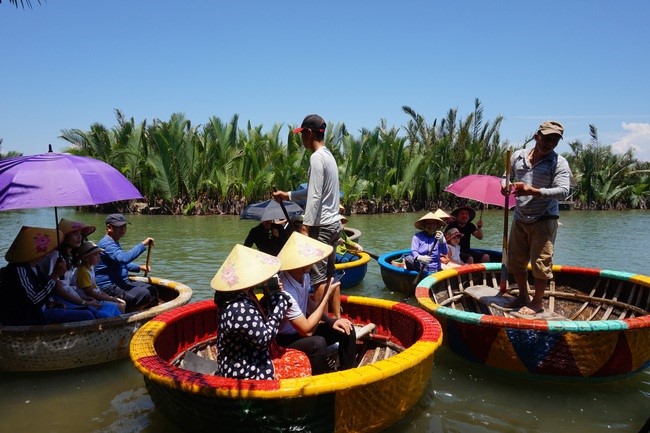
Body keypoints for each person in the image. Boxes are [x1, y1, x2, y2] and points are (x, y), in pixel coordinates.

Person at [272, 114, 342, 316]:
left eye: (302, 134)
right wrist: (288, 195)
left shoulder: (316, 157)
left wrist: (305, 227)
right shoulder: (329, 156)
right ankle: (336, 318)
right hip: (334, 224)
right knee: (330, 275)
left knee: (318, 278)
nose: (301, 138)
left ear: (309, 133)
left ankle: (318, 322)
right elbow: (313, 190)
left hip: (322, 227)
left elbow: (315, 196)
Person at [502, 120, 572, 315]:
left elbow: (564, 191)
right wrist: (505, 185)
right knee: (515, 260)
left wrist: (533, 191)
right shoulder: (518, 156)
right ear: (536, 136)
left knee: (541, 263)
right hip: (520, 216)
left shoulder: (558, 162)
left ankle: (537, 301)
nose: (549, 143)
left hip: (544, 218)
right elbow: (506, 176)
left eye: (554, 140)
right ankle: (523, 295)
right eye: (547, 138)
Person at [276, 232, 356, 375]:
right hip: (285, 338)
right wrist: (326, 296)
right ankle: (321, 385)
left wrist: (331, 321)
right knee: (317, 344)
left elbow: (309, 303)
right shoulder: (285, 290)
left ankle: (347, 374)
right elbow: (306, 331)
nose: (313, 262)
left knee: (347, 329)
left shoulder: (304, 276)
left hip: (300, 330)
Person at [210, 244, 290, 380]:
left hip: (250, 356)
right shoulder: (239, 308)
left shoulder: (243, 295)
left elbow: (256, 318)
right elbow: (264, 339)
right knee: (299, 363)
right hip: (243, 369)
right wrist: (279, 308)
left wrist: (269, 297)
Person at [0, 226, 95, 325]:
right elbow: (34, 300)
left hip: (40, 310)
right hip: (28, 316)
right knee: (87, 315)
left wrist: (51, 302)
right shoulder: (19, 270)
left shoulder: (34, 266)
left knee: (87, 311)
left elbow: (42, 284)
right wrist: (55, 275)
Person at [38, 218, 120, 319]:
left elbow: (69, 285)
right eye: (75, 234)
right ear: (64, 236)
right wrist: (83, 302)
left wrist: (84, 298)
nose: (79, 237)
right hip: (57, 299)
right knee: (93, 313)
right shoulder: (55, 257)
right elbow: (58, 289)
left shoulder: (68, 257)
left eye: (80, 234)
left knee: (108, 307)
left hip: (71, 296)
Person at [94, 213, 158, 312]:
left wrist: (138, 267)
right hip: (108, 287)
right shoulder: (107, 244)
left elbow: (119, 263)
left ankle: (138, 309)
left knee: (151, 289)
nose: (123, 229)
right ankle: (131, 313)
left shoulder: (114, 241)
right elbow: (124, 259)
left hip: (121, 282)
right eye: (119, 227)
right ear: (109, 227)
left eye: (124, 226)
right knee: (144, 294)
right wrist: (143, 244)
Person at [75, 241, 126, 315]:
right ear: (86, 258)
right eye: (95, 255)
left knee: (121, 303)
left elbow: (94, 286)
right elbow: (90, 293)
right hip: (91, 300)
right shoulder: (83, 271)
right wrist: (110, 298)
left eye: (99, 254)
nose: (98, 257)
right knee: (121, 305)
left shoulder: (90, 268)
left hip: (97, 297)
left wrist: (104, 294)